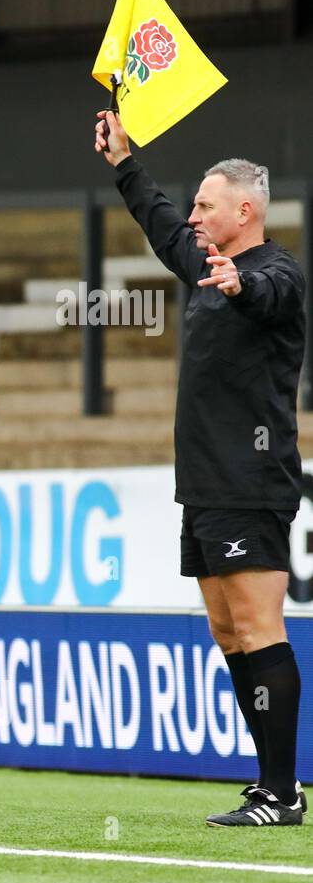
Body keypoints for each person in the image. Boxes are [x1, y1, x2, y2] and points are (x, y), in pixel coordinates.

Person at [95, 110, 307, 826]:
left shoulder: (276, 272)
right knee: (227, 632)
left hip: (253, 481)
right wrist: (125, 161)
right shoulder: (204, 265)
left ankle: (283, 792)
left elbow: (273, 295)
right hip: (207, 486)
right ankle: (268, 784)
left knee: (259, 625)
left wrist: (241, 288)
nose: (193, 216)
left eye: (206, 206)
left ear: (244, 211)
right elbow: (160, 223)